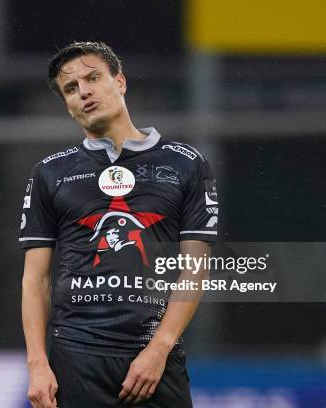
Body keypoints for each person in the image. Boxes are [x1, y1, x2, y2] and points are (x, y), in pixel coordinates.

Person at [19, 42, 219, 407]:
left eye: (93, 78)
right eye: (71, 88)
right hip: (77, 360)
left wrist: (159, 349)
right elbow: (36, 277)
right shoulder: (49, 173)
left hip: (156, 359)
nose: (84, 92)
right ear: (67, 104)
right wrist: (37, 364)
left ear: (120, 81)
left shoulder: (187, 164)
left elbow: (195, 267)